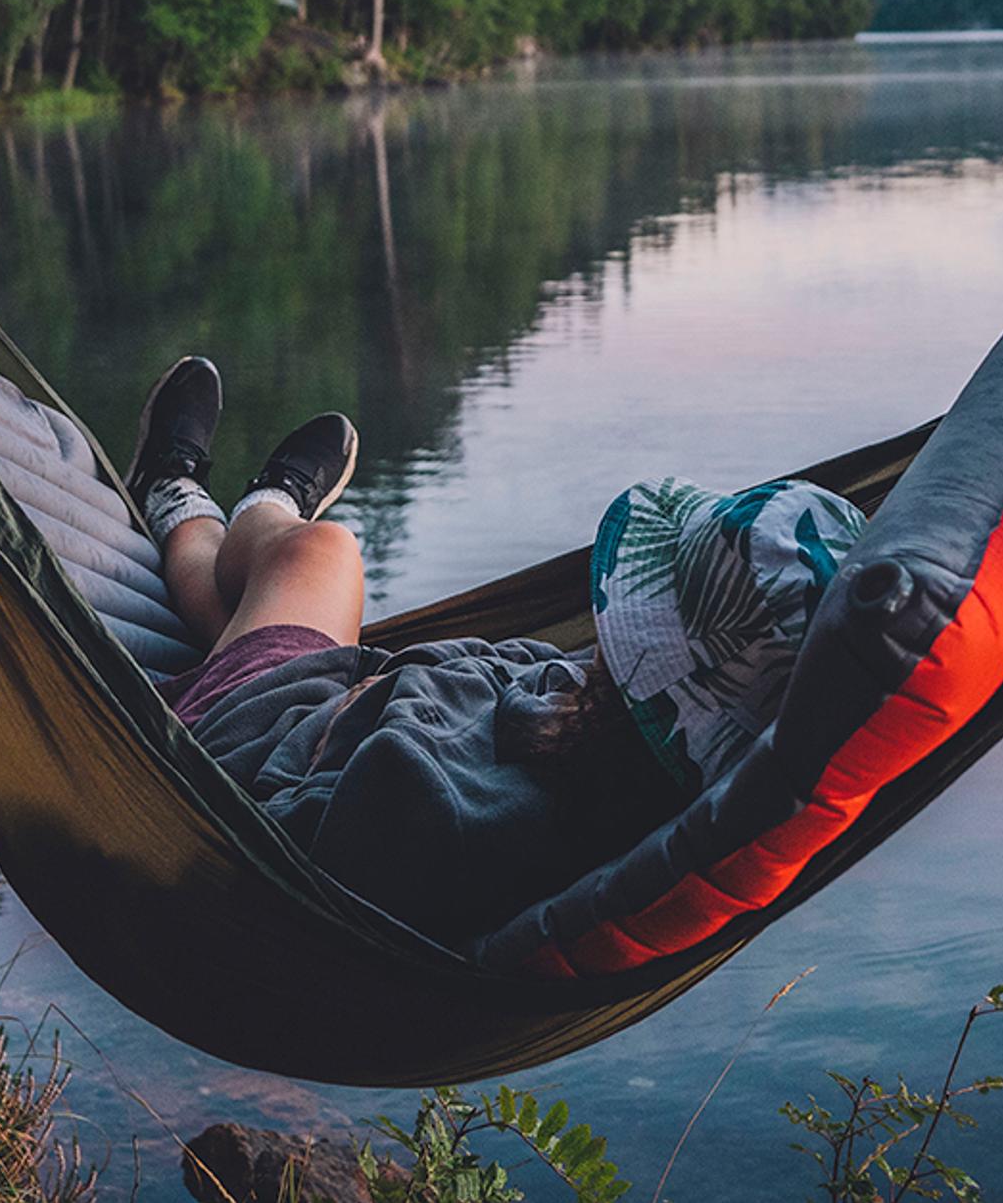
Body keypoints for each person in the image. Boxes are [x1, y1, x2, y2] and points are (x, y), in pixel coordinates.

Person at [122, 355, 863, 947]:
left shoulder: (441, 808)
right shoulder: (657, 802)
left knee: (323, 551)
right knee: (283, 587)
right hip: (311, 716)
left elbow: (279, 831)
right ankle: (235, 505)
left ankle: (195, 493)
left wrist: (375, 701)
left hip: (234, 745)